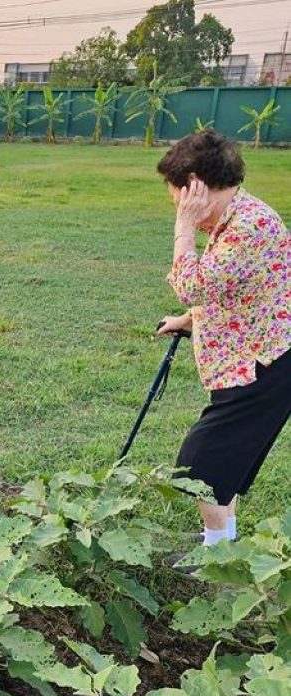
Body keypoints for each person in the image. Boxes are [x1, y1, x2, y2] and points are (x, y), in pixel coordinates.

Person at [156, 130, 290, 547]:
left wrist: (184, 226)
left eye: (176, 194)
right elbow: (228, 291)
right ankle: (221, 546)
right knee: (223, 465)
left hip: (260, 367)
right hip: (250, 360)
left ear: (196, 186)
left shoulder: (249, 227)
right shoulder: (236, 216)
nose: (174, 203)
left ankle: (216, 559)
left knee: (201, 465)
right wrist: (188, 320)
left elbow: (193, 285)